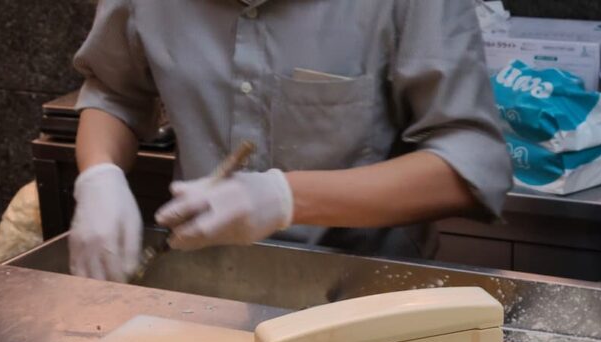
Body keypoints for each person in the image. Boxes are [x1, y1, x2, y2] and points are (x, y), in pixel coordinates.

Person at [69, 0, 512, 282]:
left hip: (365, 295)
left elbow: (471, 162)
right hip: (207, 289)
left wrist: (286, 198)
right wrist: (99, 174)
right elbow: (115, 92)